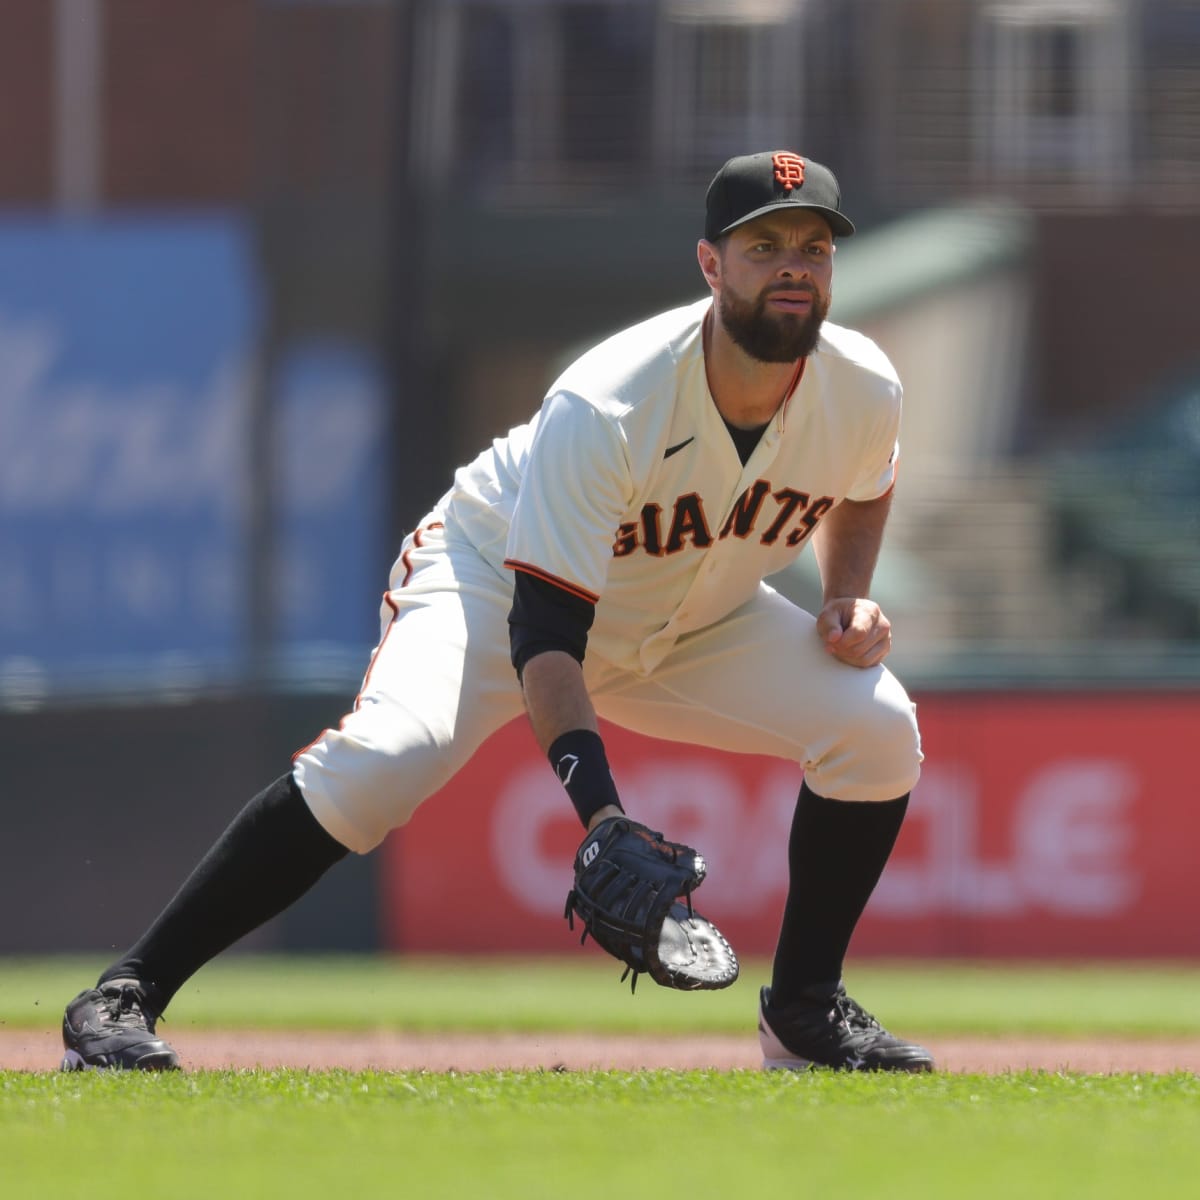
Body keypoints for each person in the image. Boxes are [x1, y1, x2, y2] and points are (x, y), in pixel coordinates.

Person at [61, 149, 933, 1073]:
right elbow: (547, 638)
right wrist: (599, 816)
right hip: (493, 582)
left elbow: (867, 484)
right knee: (383, 766)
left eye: (814, 247)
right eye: (765, 246)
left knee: (878, 735)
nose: (796, 264)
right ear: (711, 266)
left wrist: (844, 597)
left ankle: (802, 1013)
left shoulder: (863, 384)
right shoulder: (610, 402)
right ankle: (121, 996)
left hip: (695, 618)